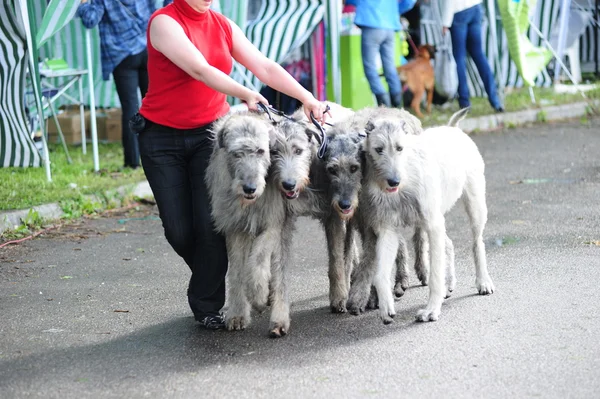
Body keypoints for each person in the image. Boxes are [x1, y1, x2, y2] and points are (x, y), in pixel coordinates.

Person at [135, 0, 328, 329]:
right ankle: (219, 273)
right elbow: (199, 69)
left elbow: (264, 67)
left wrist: (306, 97)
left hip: (211, 138)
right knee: (179, 231)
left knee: (211, 226)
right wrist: (246, 93)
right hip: (160, 140)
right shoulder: (163, 22)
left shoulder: (222, 25)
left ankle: (208, 304)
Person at [77, 0, 165, 169]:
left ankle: (132, 162)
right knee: (154, 106)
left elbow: (90, 20)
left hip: (121, 55)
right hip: (148, 49)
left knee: (130, 109)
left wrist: (83, 3)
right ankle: (160, 156)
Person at [344, 0, 417, 107]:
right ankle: (397, 106)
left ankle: (384, 106)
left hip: (371, 23)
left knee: (370, 69)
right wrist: (395, 11)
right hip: (390, 25)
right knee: (390, 68)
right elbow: (410, 1)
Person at [441, 0, 504, 112]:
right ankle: (495, 100)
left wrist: (445, 23)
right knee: (479, 55)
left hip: (459, 11)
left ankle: (464, 103)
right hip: (475, 8)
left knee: (459, 59)